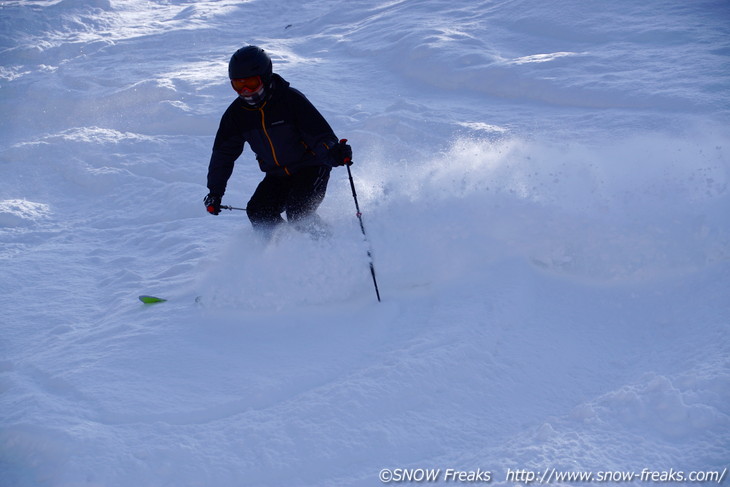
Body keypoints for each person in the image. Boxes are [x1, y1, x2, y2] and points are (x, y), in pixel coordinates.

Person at [203, 45, 352, 240]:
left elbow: (320, 135)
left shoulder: (290, 101)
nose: (245, 91)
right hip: (278, 175)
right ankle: (288, 252)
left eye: (251, 83)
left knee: (298, 212)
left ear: (264, 77)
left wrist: (333, 152)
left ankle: (331, 244)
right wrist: (215, 192)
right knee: (258, 211)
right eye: (238, 86)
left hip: (311, 167)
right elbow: (223, 155)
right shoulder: (236, 116)